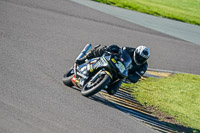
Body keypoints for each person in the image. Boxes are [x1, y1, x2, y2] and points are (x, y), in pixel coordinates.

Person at [76, 44, 150, 95]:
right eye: (139, 57)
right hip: (114, 63)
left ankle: (99, 83)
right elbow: (118, 50)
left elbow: (135, 78)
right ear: (136, 52)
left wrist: (128, 76)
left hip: (121, 73)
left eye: (143, 59)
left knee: (112, 91)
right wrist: (111, 50)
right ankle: (86, 57)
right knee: (104, 49)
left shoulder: (144, 66)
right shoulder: (128, 50)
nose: (140, 59)